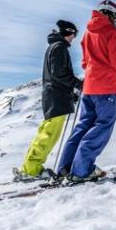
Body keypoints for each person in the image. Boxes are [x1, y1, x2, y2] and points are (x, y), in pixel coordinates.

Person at [57, 0, 116, 182]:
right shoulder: (111, 31)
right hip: (105, 88)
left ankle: (65, 167)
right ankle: (81, 170)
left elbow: (85, 62)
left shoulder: (87, 32)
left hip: (89, 86)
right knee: (102, 125)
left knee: (83, 125)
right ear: (111, 13)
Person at [15, 20, 83, 180]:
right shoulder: (59, 48)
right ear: (70, 32)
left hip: (55, 95)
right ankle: (31, 170)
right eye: (75, 34)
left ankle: (29, 167)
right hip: (56, 97)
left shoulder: (55, 47)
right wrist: (78, 84)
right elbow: (59, 74)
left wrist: (70, 92)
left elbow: (56, 75)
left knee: (46, 132)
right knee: (49, 134)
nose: (75, 38)